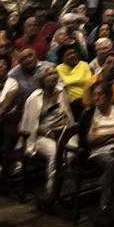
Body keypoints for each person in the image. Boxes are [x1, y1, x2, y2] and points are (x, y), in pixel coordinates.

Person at [20, 60, 75, 194]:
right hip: (41, 135)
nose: (53, 77)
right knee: (56, 152)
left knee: (72, 150)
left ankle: (64, 185)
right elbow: (30, 125)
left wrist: (67, 125)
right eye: (49, 75)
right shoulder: (34, 98)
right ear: (42, 79)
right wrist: (47, 132)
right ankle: (52, 189)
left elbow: (67, 114)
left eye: (55, 73)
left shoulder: (61, 92)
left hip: (62, 131)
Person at [80, 82, 114, 209]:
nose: (96, 98)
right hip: (100, 152)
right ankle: (106, 202)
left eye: (100, 94)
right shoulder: (90, 114)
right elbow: (90, 139)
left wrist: (105, 137)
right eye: (94, 95)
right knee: (112, 163)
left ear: (109, 96)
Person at [56, 41, 93, 109]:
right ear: (63, 58)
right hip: (70, 103)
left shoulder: (85, 65)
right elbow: (60, 90)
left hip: (89, 99)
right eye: (69, 54)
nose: (73, 55)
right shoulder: (58, 69)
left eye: (74, 52)